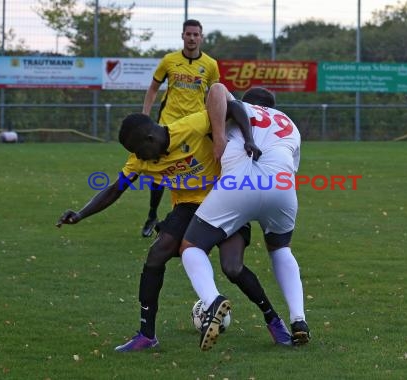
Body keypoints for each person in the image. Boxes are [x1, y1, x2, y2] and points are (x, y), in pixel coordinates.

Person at [56, 91, 292, 353]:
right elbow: (114, 189)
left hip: (226, 198)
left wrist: (246, 139)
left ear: (150, 137)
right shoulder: (140, 161)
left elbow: (235, 107)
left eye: (139, 150)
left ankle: (274, 320)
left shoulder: (190, 126)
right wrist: (80, 214)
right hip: (188, 207)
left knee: (233, 267)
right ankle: (146, 334)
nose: (139, 157)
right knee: (157, 253)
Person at [179, 84, 310, 351]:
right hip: (283, 185)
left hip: (239, 183)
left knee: (191, 246)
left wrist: (219, 137)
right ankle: (299, 320)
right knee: (281, 248)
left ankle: (212, 299)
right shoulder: (289, 122)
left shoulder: (240, 108)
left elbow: (216, 89)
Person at [139, 19, 220, 238]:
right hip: (168, 125)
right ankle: (152, 215)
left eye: (196, 34)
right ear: (182, 36)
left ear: (201, 37)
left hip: (195, 127)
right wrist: (145, 118)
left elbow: (215, 95)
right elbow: (153, 89)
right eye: (188, 34)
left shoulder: (211, 65)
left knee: (193, 169)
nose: (192, 38)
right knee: (159, 172)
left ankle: (183, 217)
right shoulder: (169, 61)